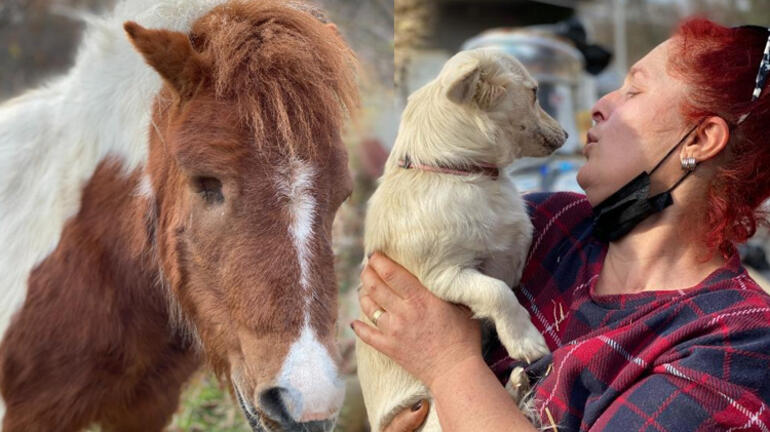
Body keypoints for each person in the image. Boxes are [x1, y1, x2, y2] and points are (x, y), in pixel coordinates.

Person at [352, 18, 770, 431]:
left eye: (635, 90)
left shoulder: (737, 343)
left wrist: (450, 367)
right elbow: (390, 310)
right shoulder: (548, 221)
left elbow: (430, 342)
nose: (601, 105)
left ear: (700, 140)